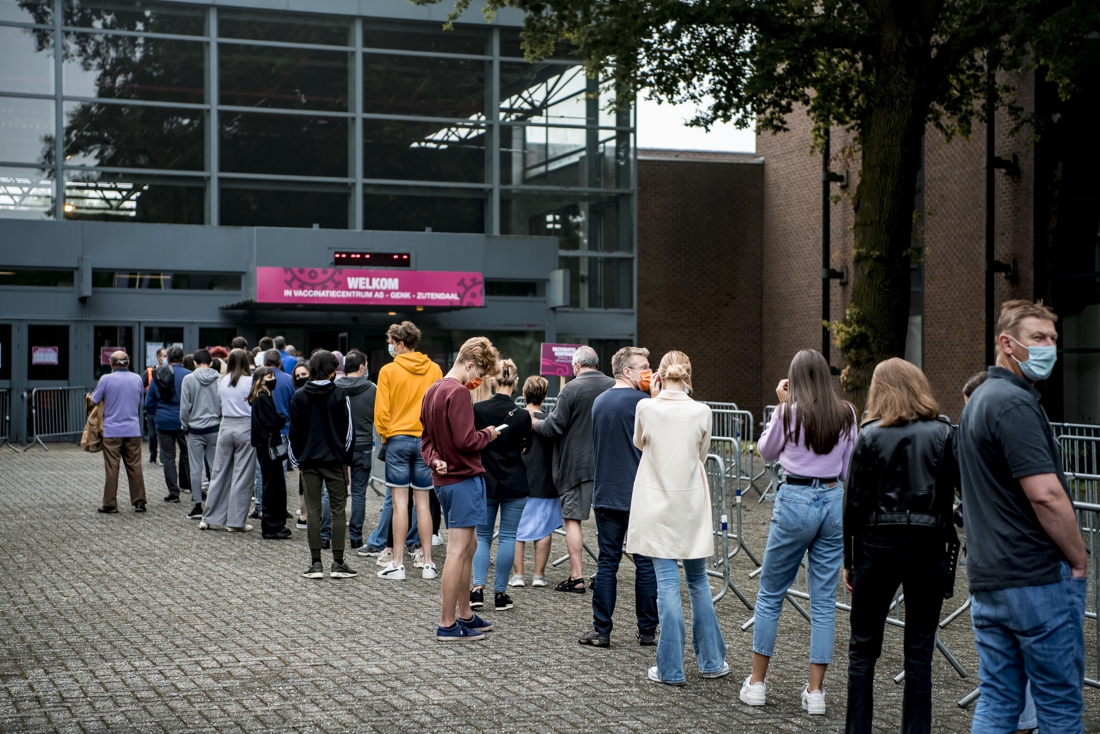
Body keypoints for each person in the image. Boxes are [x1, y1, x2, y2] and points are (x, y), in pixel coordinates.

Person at [957, 300, 1087, 734]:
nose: (1049, 347)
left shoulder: (977, 402)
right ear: (1007, 343)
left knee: (998, 699)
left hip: (990, 578)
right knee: (1059, 705)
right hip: (1034, 579)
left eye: (1052, 339)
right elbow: (1046, 495)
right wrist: (1080, 557)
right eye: (1038, 338)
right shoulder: (1014, 405)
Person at [842, 358, 960, 734]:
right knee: (920, 654)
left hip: (877, 546)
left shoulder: (871, 434)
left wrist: (851, 560)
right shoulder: (944, 433)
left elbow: (854, 504)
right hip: (928, 548)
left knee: (862, 650)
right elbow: (960, 489)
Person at [742, 348, 857, 715]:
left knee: (771, 592)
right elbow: (848, 470)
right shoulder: (846, 412)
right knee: (823, 601)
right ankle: (816, 692)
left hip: (795, 497)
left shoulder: (787, 412)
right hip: (832, 500)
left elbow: (766, 451)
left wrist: (782, 407)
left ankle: (757, 684)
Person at [626, 350, 727, 685]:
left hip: (656, 505)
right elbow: (700, 453)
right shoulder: (702, 411)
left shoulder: (645, 407)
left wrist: (655, 399)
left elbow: (640, 442)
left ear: (658, 375)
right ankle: (711, 661)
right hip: (690, 505)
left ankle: (671, 668)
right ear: (688, 374)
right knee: (698, 583)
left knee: (667, 585)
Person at [420, 337, 501, 640]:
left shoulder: (433, 390)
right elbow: (467, 441)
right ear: (469, 365)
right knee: (458, 551)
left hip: (445, 480)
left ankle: (465, 615)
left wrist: (435, 460)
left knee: (469, 547)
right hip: (464, 480)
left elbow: (426, 440)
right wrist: (489, 434)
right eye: (478, 373)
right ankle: (447, 623)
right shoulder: (459, 393)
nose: (477, 381)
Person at [579, 347, 658, 648]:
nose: (648, 373)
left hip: (606, 493)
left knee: (607, 563)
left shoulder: (599, 403)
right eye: (644, 367)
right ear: (628, 371)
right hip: (639, 494)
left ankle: (602, 631)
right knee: (645, 563)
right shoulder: (645, 404)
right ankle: (648, 631)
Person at [531, 345, 615, 592]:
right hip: (608, 467)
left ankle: (577, 577)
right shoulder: (613, 385)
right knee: (609, 524)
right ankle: (605, 574)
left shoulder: (571, 388)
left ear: (576, 366)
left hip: (576, 467)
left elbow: (553, 427)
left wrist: (533, 421)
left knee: (573, 521)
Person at [375, 321, 443, 581]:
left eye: (392, 343)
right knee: (423, 503)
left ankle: (398, 563)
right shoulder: (435, 370)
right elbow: (439, 408)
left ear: (401, 344)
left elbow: (381, 412)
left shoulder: (388, 371)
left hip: (398, 440)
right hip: (426, 440)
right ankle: (427, 563)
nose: (390, 347)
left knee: (400, 503)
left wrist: (386, 435)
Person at [289, 349, 356, 580]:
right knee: (338, 510)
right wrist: (345, 459)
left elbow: (294, 433)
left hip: (308, 462)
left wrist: (297, 460)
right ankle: (338, 562)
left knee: (313, 511)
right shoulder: (340, 394)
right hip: (335, 460)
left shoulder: (299, 396)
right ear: (331, 370)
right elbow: (349, 432)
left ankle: (315, 562)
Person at [471, 359, 531, 612]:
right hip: (514, 482)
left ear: (493, 380)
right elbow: (526, 448)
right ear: (516, 382)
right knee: (508, 537)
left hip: (485, 480)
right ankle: (500, 593)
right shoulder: (523, 415)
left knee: (482, 536)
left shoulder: (479, 410)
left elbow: (472, 442)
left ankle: (476, 590)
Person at [510, 376, 562, 588]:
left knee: (516, 531)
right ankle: (539, 576)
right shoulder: (550, 423)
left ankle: (518, 576)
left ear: (524, 394)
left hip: (519, 482)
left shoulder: (514, 419)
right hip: (545, 483)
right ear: (544, 396)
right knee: (543, 530)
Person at [199, 349, 257, 533]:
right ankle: (235, 521)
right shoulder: (251, 380)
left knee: (219, 473)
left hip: (225, 426)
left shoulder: (222, 381)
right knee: (242, 475)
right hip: (245, 427)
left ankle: (209, 517)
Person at [93, 351, 147, 513]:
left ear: (111, 364)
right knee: (135, 465)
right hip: (133, 430)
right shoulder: (137, 378)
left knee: (112, 467)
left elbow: (95, 400)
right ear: (128, 362)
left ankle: (110, 503)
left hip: (111, 430)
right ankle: (139, 502)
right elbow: (141, 402)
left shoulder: (105, 379)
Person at [336, 350, 376, 551]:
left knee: (332, 492)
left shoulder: (333, 388)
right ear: (361, 367)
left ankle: (326, 535)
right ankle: (355, 538)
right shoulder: (372, 389)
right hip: (362, 446)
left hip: (338, 447)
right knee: (359, 493)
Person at [145, 345, 192, 503]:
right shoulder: (189, 375)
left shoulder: (158, 374)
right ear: (183, 358)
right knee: (188, 456)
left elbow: (149, 401)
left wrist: (156, 415)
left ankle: (173, 492)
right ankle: (194, 489)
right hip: (184, 421)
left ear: (168, 359)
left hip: (163, 421)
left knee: (168, 457)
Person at [249, 366, 291, 539]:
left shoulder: (261, 397)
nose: (273, 379)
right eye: (269, 376)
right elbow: (273, 420)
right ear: (260, 379)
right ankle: (272, 525)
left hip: (265, 446)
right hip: (268, 446)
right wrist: (280, 418)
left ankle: (273, 524)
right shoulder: (262, 398)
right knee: (273, 486)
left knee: (273, 484)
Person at [179, 349, 221, 520]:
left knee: (196, 468)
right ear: (211, 362)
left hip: (195, 429)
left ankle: (197, 505)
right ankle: (217, 503)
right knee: (216, 467)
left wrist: (184, 426)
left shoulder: (188, 379)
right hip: (215, 428)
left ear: (195, 363)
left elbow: (185, 406)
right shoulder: (219, 379)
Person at [143, 347, 167, 463]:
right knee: (152, 434)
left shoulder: (170, 371)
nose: (166, 358)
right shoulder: (149, 372)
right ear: (158, 357)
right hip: (152, 408)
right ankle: (153, 454)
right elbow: (141, 388)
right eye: (164, 356)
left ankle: (163, 457)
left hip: (164, 408)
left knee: (162, 434)